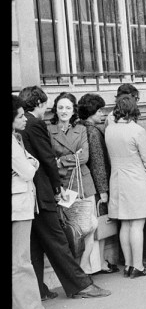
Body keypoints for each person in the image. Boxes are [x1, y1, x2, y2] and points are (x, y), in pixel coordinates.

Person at [18, 86, 110, 300]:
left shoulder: (23, 124)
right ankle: (80, 285)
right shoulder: (36, 124)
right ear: (40, 104)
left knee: (36, 244)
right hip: (43, 192)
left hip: (30, 195)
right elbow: (48, 159)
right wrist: (56, 187)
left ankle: (38, 289)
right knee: (58, 240)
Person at [12, 95, 58, 309]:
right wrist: (31, 164)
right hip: (18, 206)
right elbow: (30, 170)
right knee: (21, 262)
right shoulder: (12, 142)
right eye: (20, 116)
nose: (24, 119)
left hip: (18, 204)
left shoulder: (17, 138)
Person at [105, 95, 146, 278]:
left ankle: (128, 264)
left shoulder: (109, 130)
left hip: (117, 178)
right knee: (137, 224)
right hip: (136, 178)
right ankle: (138, 265)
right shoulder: (137, 130)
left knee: (125, 223)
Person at [47, 93, 99, 274]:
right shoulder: (49, 130)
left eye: (68, 107)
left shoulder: (81, 129)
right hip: (63, 184)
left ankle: (84, 267)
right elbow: (49, 160)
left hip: (83, 183)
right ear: (55, 109)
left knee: (89, 227)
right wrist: (69, 159)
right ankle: (75, 271)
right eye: (61, 107)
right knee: (70, 230)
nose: (64, 111)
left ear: (73, 110)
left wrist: (60, 160)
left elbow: (84, 157)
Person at [77, 93, 118, 275]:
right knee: (99, 226)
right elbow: (98, 163)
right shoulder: (93, 131)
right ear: (92, 111)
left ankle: (97, 263)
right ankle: (97, 264)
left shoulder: (80, 128)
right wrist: (103, 190)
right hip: (94, 186)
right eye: (100, 110)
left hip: (86, 185)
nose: (102, 113)